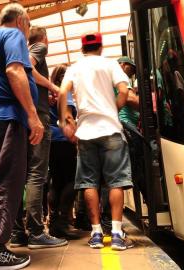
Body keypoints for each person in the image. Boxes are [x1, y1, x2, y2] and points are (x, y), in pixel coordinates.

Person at [0, 3, 43, 269]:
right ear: (22, 21)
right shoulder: (13, 35)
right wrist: (33, 115)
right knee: (5, 183)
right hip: (5, 119)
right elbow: (15, 71)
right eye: (29, 25)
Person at [58, 32, 134, 251]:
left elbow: (63, 92)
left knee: (89, 182)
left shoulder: (75, 67)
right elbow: (123, 92)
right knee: (116, 182)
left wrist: (65, 120)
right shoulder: (110, 64)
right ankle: (117, 234)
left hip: (86, 132)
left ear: (83, 49)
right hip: (110, 129)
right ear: (100, 47)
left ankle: (96, 233)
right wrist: (113, 109)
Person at [11, 26, 67, 249]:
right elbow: (28, 68)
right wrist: (52, 85)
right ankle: (36, 231)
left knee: (22, 174)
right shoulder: (39, 47)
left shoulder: (22, 50)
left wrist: (44, 91)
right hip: (38, 117)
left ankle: (17, 232)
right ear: (44, 38)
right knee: (37, 173)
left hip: (24, 115)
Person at [47, 65, 79, 239]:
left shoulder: (49, 93)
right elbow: (68, 117)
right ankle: (61, 221)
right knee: (74, 180)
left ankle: (53, 223)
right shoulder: (64, 93)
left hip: (50, 140)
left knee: (57, 181)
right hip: (63, 140)